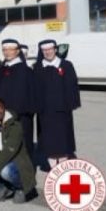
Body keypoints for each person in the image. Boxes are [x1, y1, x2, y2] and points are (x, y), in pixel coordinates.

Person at [33, 39, 81, 169]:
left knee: (63, 142)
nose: (47, 52)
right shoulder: (37, 67)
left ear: (55, 49)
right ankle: (54, 168)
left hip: (62, 112)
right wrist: (36, 107)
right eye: (44, 50)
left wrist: (71, 104)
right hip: (45, 112)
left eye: (50, 49)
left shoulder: (66, 65)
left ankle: (63, 167)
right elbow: (34, 89)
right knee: (49, 143)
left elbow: (72, 86)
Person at [0, 39, 36, 159]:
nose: (7, 52)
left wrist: (27, 113)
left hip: (22, 117)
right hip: (3, 116)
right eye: (4, 50)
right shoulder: (0, 71)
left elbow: (32, 95)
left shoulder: (27, 71)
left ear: (17, 51)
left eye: (10, 49)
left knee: (24, 146)